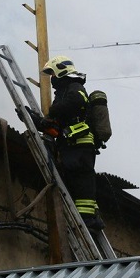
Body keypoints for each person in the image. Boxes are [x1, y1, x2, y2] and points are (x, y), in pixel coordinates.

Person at [33, 55, 104, 232]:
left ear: (61, 71)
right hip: (72, 144)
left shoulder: (74, 87)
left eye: (53, 74)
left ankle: (87, 219)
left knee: (81, 180)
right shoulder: (64, 92)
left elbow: (76, 102)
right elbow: (57, 126)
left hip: (80, 144)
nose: (52, 78)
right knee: (76, 181)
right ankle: (92, 218)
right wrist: (38, 121)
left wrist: (53, 111)